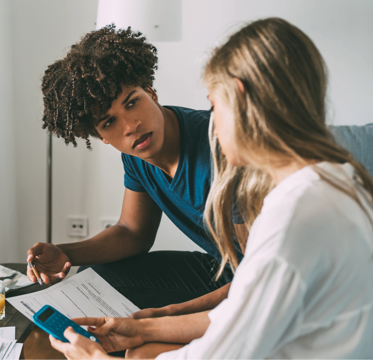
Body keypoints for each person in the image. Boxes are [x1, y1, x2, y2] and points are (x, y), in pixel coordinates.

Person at [48, 17, 373, 359]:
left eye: (214, 105)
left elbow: (228, 347)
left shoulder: (288, 226)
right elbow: (241, 315)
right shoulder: (339, 181)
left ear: (240, 99)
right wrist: (146, 326)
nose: (212, 124)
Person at [26, 25, 248, 318]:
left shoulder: (221, 150)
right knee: (95, 276)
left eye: (132, 103)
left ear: (151, 92)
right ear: (101, 136)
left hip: (260, 278)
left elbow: (264, 270)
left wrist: (169, 315)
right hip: (224, 268)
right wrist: (66, 253)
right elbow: (133, 233)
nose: (130, 126)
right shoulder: (137, 156)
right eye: (108, 122)